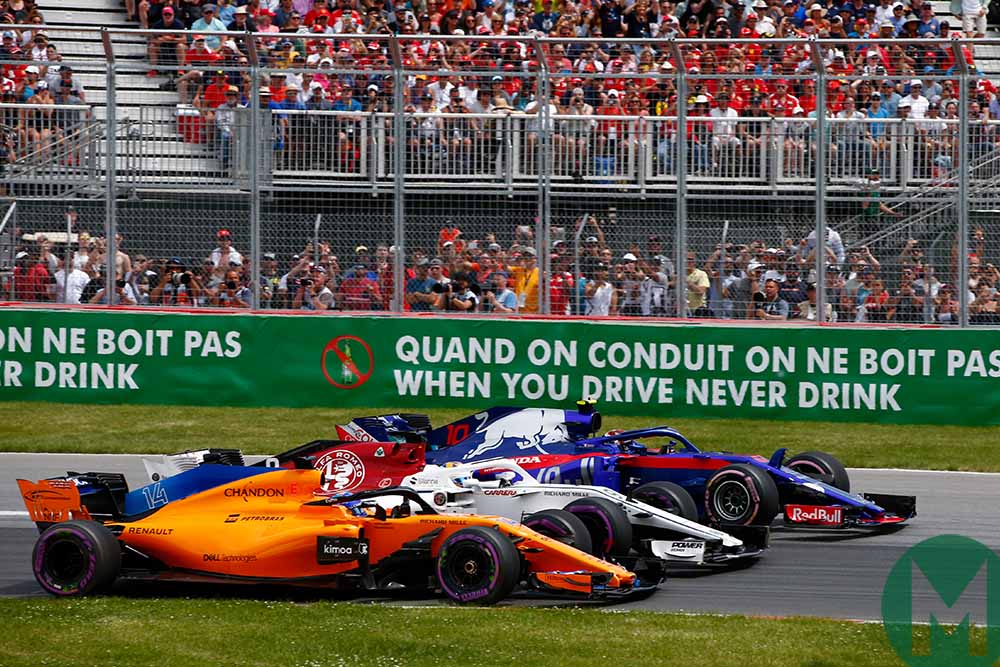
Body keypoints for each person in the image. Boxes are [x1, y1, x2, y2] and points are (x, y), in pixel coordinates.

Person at [685, 251, 710, 317]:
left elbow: (701, 291)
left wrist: (688, 283)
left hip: (698, 310)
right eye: (686, 260)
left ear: (695, 262)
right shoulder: (679, 274)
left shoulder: (701, 274)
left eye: (691, 260)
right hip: (683, 309)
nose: (688, 262)